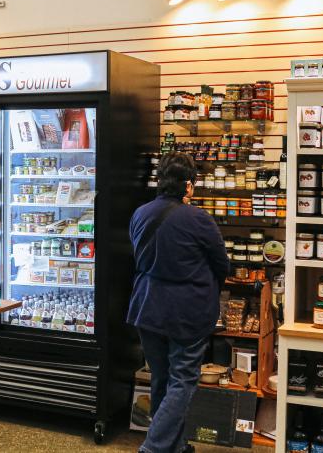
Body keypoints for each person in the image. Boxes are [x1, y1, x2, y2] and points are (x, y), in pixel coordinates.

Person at [127, 152, 230, 453]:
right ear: (188, 186)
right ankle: (154, 447)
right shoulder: (199, 219)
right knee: (183, 380)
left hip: (147, 307)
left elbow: (139, 257)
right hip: (187, 311)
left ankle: (174, 446)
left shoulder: (140, 213)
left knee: (161, 378)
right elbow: (220, 263)